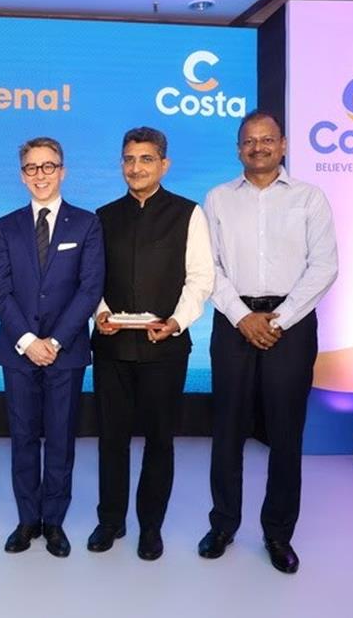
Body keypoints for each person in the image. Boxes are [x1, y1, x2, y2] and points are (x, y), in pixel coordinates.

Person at [198, 110, 338, 574]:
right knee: (227, 430)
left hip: (290, 325)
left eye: (267, 139)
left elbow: (324, 266)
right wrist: (243, 317)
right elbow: (208, 267)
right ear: (238, 148)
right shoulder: (217, 199)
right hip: (233, 321)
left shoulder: (310, 198)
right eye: (249, 141)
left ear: (283, 145)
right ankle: (223, 525)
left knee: (285, 432)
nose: (258, 147)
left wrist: (279, 320)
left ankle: (278, 533)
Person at [89, 126, 214, 560]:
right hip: (112, 347)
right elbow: (92, 278)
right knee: (111, 439)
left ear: (164, 164)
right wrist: (100, 312)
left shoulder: (188, 214)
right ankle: (110, 520)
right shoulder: (103, 216)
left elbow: (201, 278)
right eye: (129, 159)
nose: (136, 167)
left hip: (165, 347)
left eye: (145, 159)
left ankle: (150, 527)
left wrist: (176, 322)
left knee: (159, 441)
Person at [0, 137, 104, 558]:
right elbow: (1, 290)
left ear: (63, 171)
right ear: (22, 175)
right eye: (32, 168)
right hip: (18, 351)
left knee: (60, 439)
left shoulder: (87, 224)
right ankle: (27, 520)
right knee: (22, 438)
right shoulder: (6, 226)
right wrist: (28, 341)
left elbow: (90, 289)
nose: (41, 175)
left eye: (49, 166)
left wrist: (54, 341)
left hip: (65, 352)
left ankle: (53, 522)